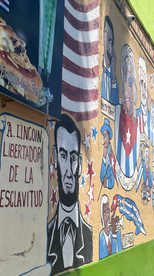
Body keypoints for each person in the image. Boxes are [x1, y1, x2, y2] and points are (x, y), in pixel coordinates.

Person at [48, 114, 93, 274]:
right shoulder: (46, 234)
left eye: (73, 158)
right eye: (63, 156)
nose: (68, 172)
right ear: (54, 157)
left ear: (80, 164)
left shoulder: (88, 233)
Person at [115, 44, 139, 180]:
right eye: (123, 80)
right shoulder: (118, 111)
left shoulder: (138, 122)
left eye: (130, 82)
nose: (125, 89)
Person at [101, 16, 119, 105]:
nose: (109, 46)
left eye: (111, 42)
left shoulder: (114, 79)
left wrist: (114, 76)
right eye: (107, 39)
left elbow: (116, 105)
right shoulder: (98, 67)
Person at [99, 195, 122, 259]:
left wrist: (115, 233)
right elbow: (106, 259)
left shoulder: (117, 231)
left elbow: (120, 253)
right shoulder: (101, 236)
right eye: (104, 213)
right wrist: (114, 235)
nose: (107, 216)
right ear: (102, 217)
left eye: (108, 211)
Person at [100, 118, 117, 189]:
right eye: (104, 136)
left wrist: (106, 182)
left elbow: (111, 182)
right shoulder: (104, 151)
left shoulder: (112, 155)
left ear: (109, 137)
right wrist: (104, 157)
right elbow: (101, 176)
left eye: (106, 136)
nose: (104, 139)